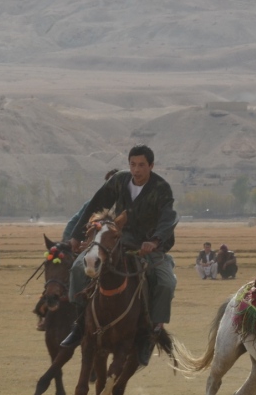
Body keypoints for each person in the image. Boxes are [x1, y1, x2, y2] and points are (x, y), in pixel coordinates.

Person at [61, 146, 178, 366]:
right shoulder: (119, 181)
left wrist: (154, 241)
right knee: (78, 268)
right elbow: (95, 205)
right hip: (116, 241)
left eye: (141, 165)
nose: (136, 170)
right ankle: (80, 324)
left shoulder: (161, 188)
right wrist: (76, 236)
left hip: (148, 246)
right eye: (132, 164)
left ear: (151, 166)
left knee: (166, 283)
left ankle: (151, 334)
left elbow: (168, 218)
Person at [32, 169, 122, 332]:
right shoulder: (93, 204)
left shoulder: (128, 206)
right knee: (66, 267)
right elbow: (75, 223)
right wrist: (72, 241)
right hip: (90, 248)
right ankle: (62, 312)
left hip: (118, 251)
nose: (113, 188)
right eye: (109, 184)